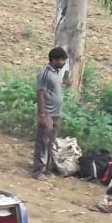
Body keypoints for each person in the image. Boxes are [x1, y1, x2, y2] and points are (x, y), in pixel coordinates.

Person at [32, 46, 69, 179]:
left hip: (56, 113)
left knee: (51, 142)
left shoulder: (56, 73)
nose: (64, 63)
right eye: (62, 60)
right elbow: (40, 94)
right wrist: (42, 114)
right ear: (54, 60)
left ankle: (47, 168)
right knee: (42, 141)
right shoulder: (45, 73)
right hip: (47, 113)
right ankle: (38, 171)